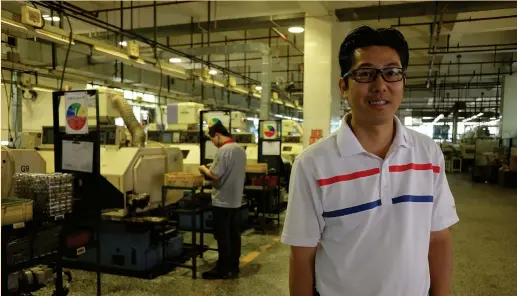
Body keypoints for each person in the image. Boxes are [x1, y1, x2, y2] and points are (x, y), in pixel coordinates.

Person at [281, 26, 459, 296]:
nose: (380, 86)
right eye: (365, 74)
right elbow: (303, 255)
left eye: (392, 72)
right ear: (344, 86)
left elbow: (438, 238)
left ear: (403, 81)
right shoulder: (313, 164)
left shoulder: (428, 153)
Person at [199, 123, 247, 280]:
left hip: (222, 200)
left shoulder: (224, 150)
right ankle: (233, 266)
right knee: (234, 234)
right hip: (235, 200)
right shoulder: (239, 149)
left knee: (223, 236)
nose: (213, 142)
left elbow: (215, 176)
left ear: (217, 135)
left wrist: (203, 169)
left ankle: (222, 269)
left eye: (212, 139)